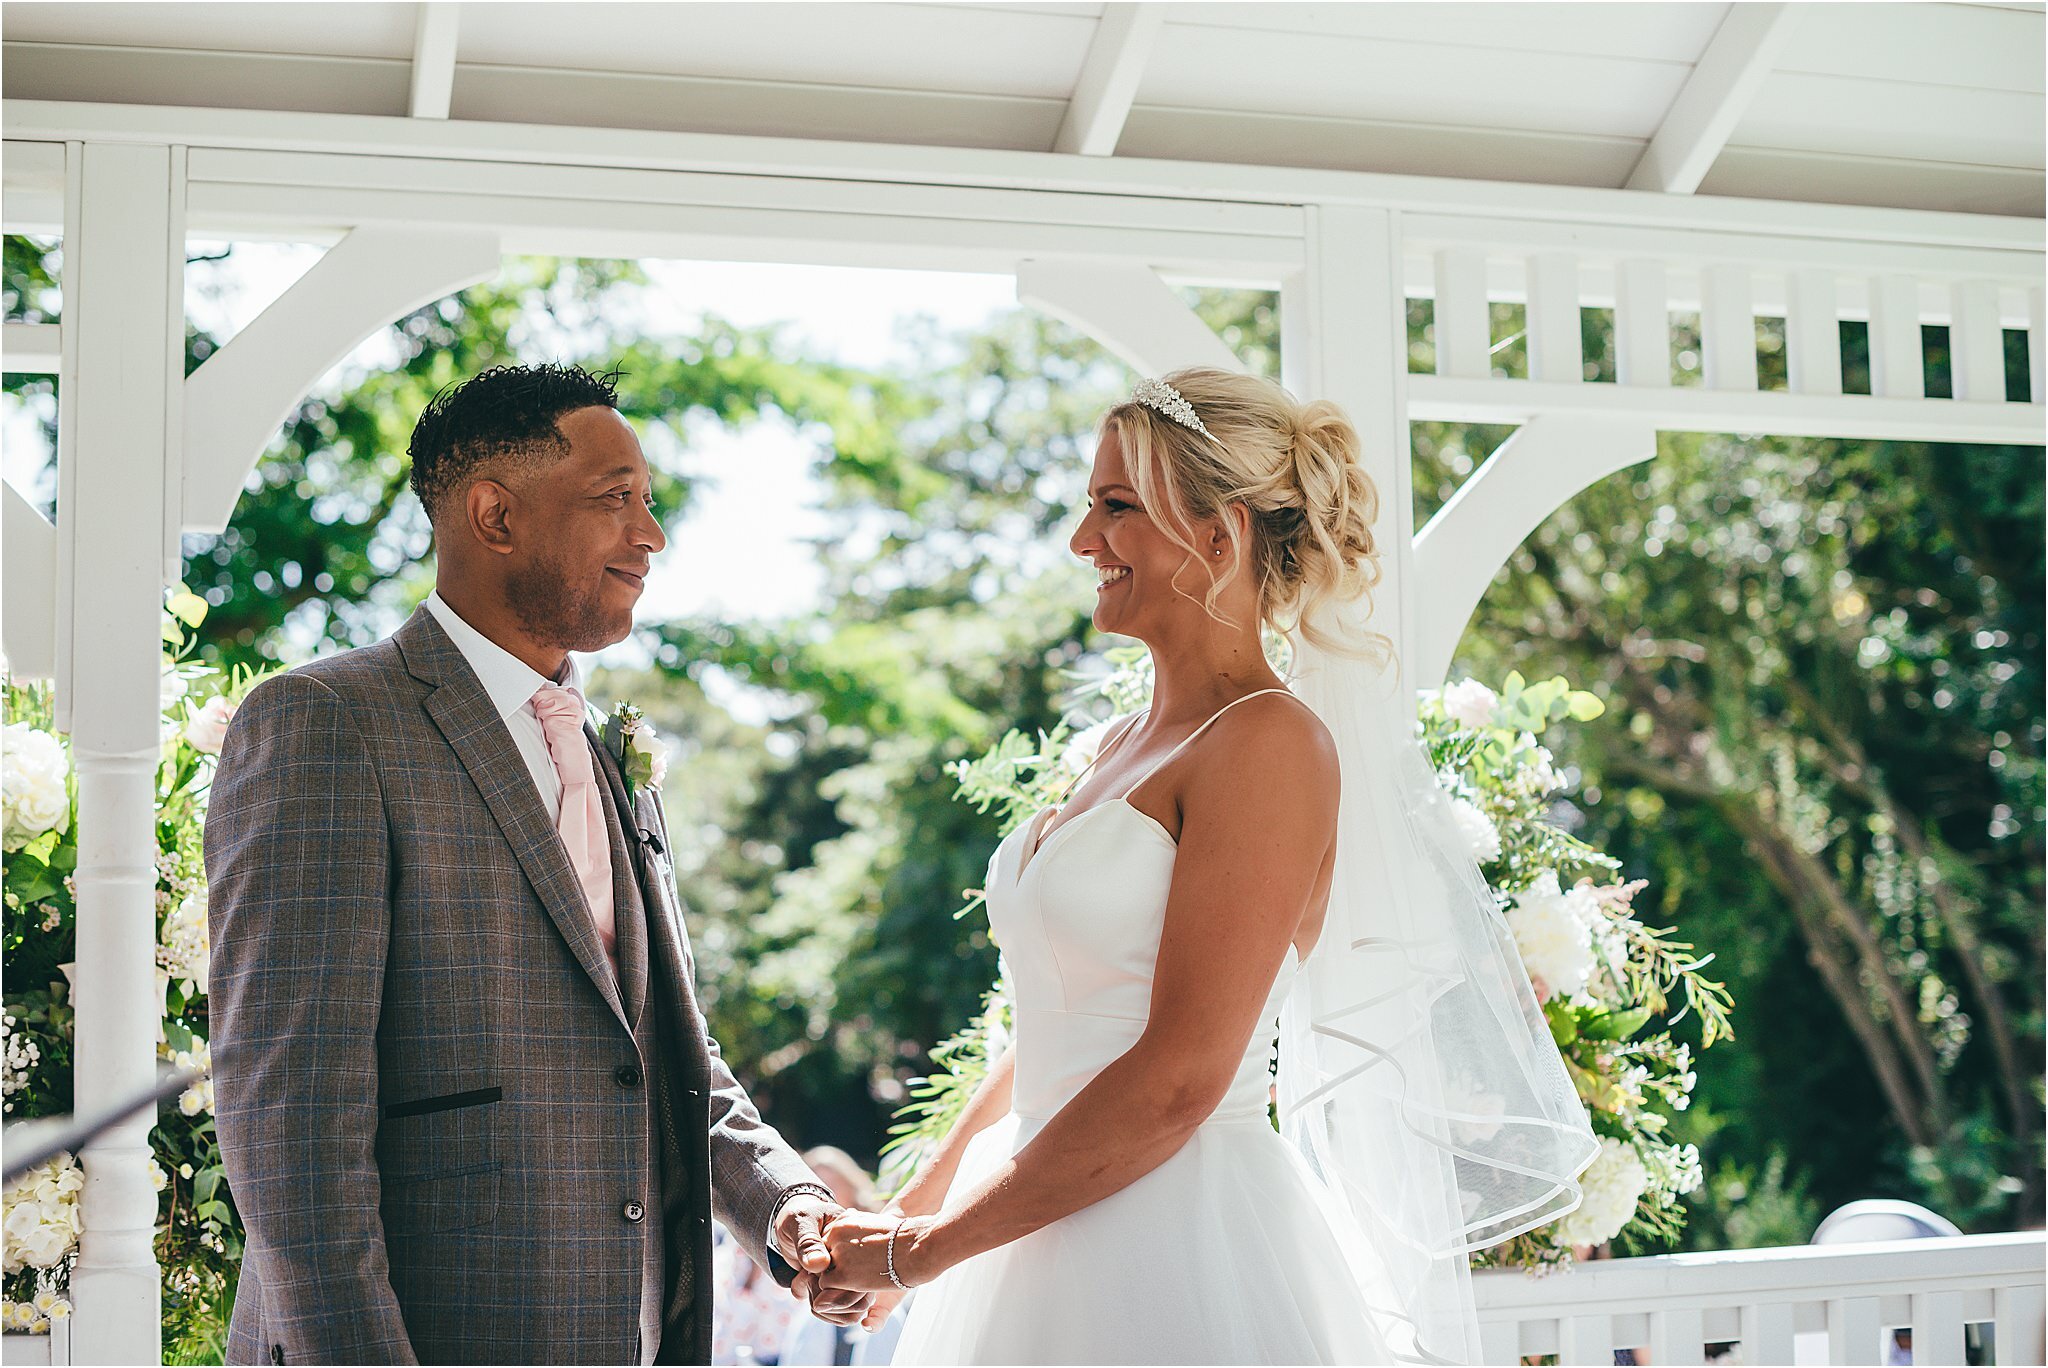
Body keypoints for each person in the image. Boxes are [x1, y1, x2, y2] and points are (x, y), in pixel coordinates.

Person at [812, 370, 1598, 1364]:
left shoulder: (1267, 744)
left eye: (1115, 507)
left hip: (1173, 1239)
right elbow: (1054, 1025)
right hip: (1027, 1216)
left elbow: (1180, 1073)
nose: (1079, 540)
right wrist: (910, 1210)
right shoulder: (1112, 744)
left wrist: (924, 1251)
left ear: (1218, 537)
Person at [205, 365, 870, 1365]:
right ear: (495, 515)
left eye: (648, 502)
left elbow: (666, 1056)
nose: (649, 535)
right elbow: (290, 1130)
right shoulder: (327, 723)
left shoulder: (608, 752)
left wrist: (790, 1206)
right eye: (616, 500)